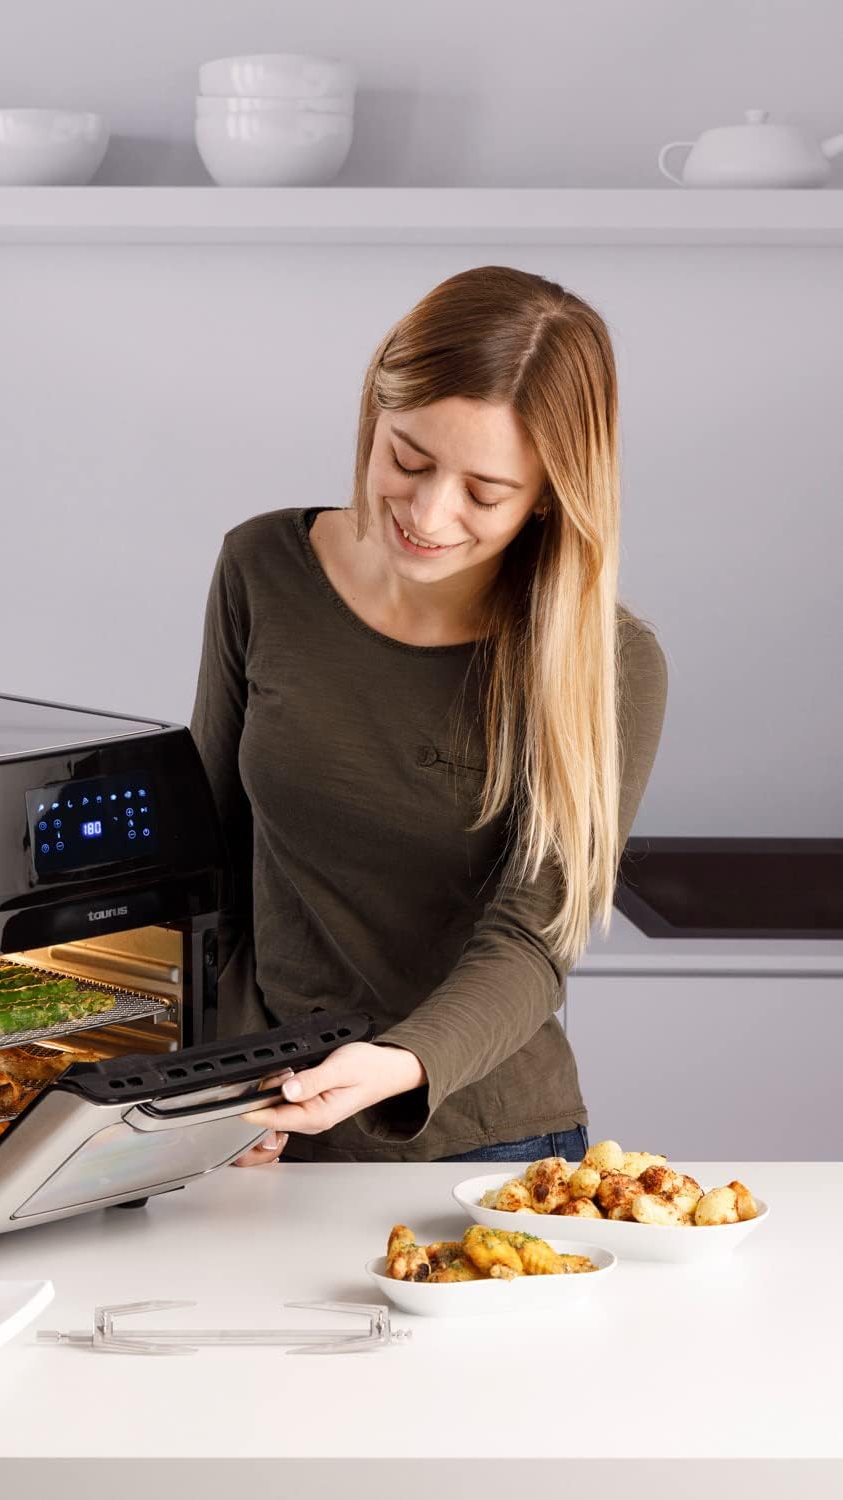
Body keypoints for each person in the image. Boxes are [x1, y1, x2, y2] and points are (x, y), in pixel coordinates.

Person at [188, 264, 668, 1166]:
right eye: (407, 460)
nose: (429, 512)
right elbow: (205, 863)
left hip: (480, 1142)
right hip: (259, 1121)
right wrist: (207, 1076)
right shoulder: (262, 569)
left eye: (485, 493)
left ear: (549, 495)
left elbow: (533, 939)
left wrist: (400, 1063)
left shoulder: (606, 664)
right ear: (374, 415)